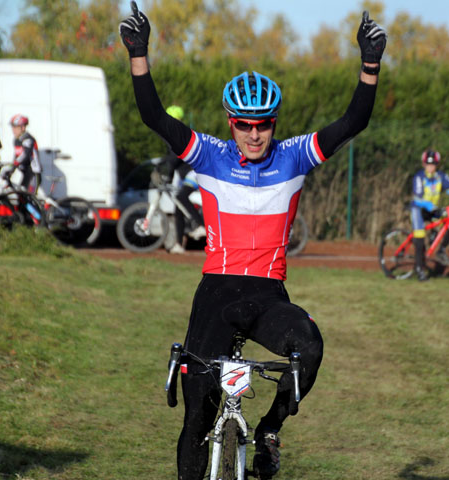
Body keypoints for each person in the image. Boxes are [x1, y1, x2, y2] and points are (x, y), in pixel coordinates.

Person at [120, 3, 386, 478]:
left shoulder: (295, 156)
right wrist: (139, 55)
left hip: (267, 293)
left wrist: (369, 67)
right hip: (216, 291)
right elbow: (154, 116)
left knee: (311, 346)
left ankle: (267, 431)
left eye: (263, 123)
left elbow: (353, 123)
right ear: (230, 122)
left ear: (274, 122)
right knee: (197, 414)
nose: (254, 133)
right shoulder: (208, 155)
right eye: (244, 123)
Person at [410, 149, 449, 281]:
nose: (431, 167)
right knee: (419, 237)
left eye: (433, 164)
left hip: (433, 210)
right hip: (419, 209)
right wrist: (427, 205)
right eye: (428, 164)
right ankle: (419, 269)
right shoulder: (419, 177)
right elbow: (417, 198)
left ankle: (441, 250)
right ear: (424, 164)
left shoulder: (440, 176)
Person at [156, 105, 205, 254]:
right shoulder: (177, 135)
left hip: (195, 172)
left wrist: (162, 170)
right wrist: (168, 176)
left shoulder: (179, 135)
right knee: (178, 208)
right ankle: (178, 244)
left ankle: (200, 225)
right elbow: (173, 162)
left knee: (181, 196)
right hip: (187, 174)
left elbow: (173, 160)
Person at [1, 114, 42, 194]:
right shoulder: (17, 140)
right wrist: (11, 170)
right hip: (25, 173)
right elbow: (16, 156)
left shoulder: (28, 139)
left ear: (23, 127)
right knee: (21, 197)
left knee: (29, 197)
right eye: (12, 127)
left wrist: (14, 165)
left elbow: (25, 155)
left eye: (16, 127)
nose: (13, 130)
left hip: (33, 173)